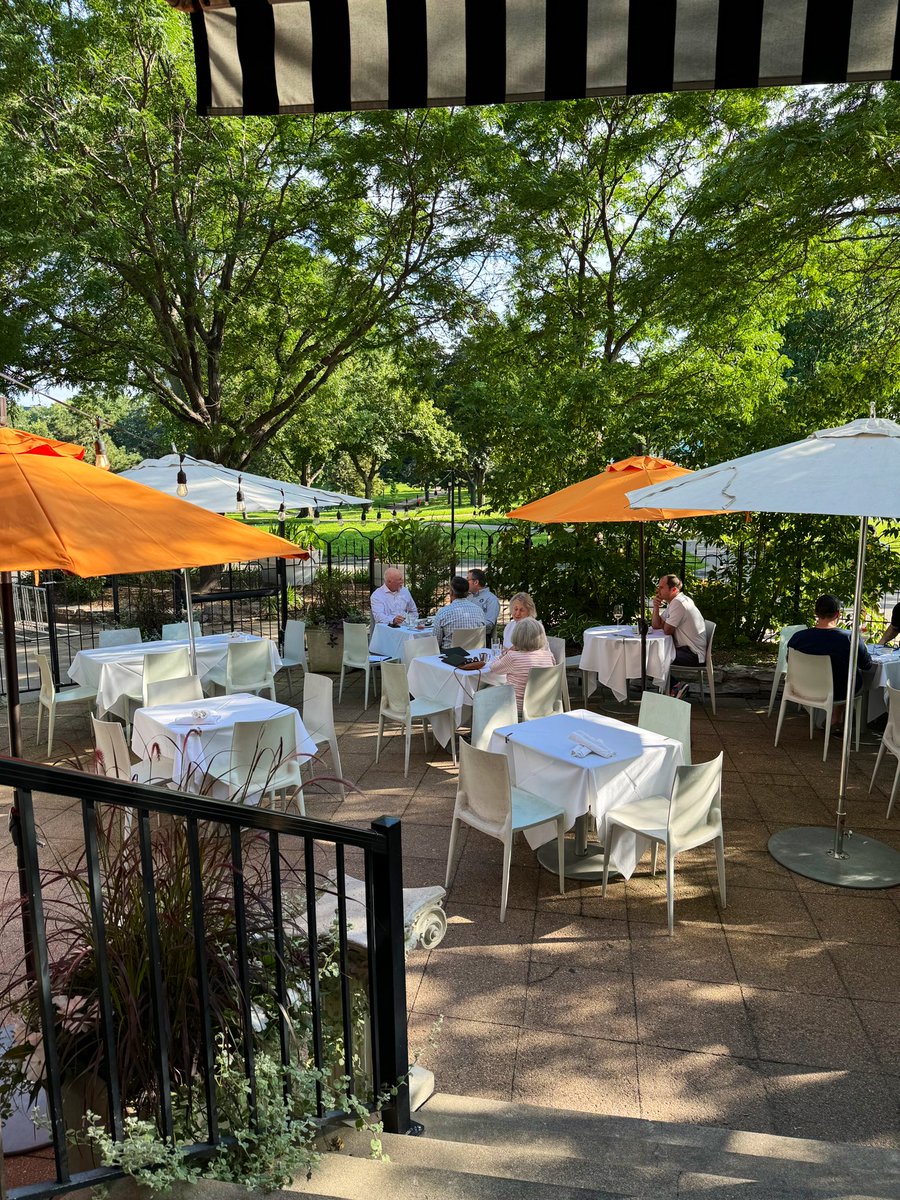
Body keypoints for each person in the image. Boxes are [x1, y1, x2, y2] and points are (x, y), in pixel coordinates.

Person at [788, 594, 873, 725]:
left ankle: (834, 717)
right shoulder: (849, 639)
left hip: (802, 688)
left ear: (815, 612)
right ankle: (838, 717)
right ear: (838, 614)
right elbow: (867, 665)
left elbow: (790, 662)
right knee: (850, 676)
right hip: (838, 692)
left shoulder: (798, 638)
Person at [484, 617, 556, 713]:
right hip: (543, 704)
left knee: (484, 693)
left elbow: (494, 668)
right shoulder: (548, 655)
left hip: (517, 706)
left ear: (516, 636)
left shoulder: (513, 657)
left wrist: (503, 654)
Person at [430, 576, 486, 649]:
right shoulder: (479, 611)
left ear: (451, 592)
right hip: (474, 656)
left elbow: (436, 642)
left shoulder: (443, 612)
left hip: (449, 656)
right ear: (467, 593)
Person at [467, 569, 501, 638]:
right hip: (466, 636)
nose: (466, 583)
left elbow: (489, 624)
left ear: (476, 582)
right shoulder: (468, 597)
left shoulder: (491, 599)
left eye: (468, 580)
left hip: (482, 638)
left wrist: (470, 625)